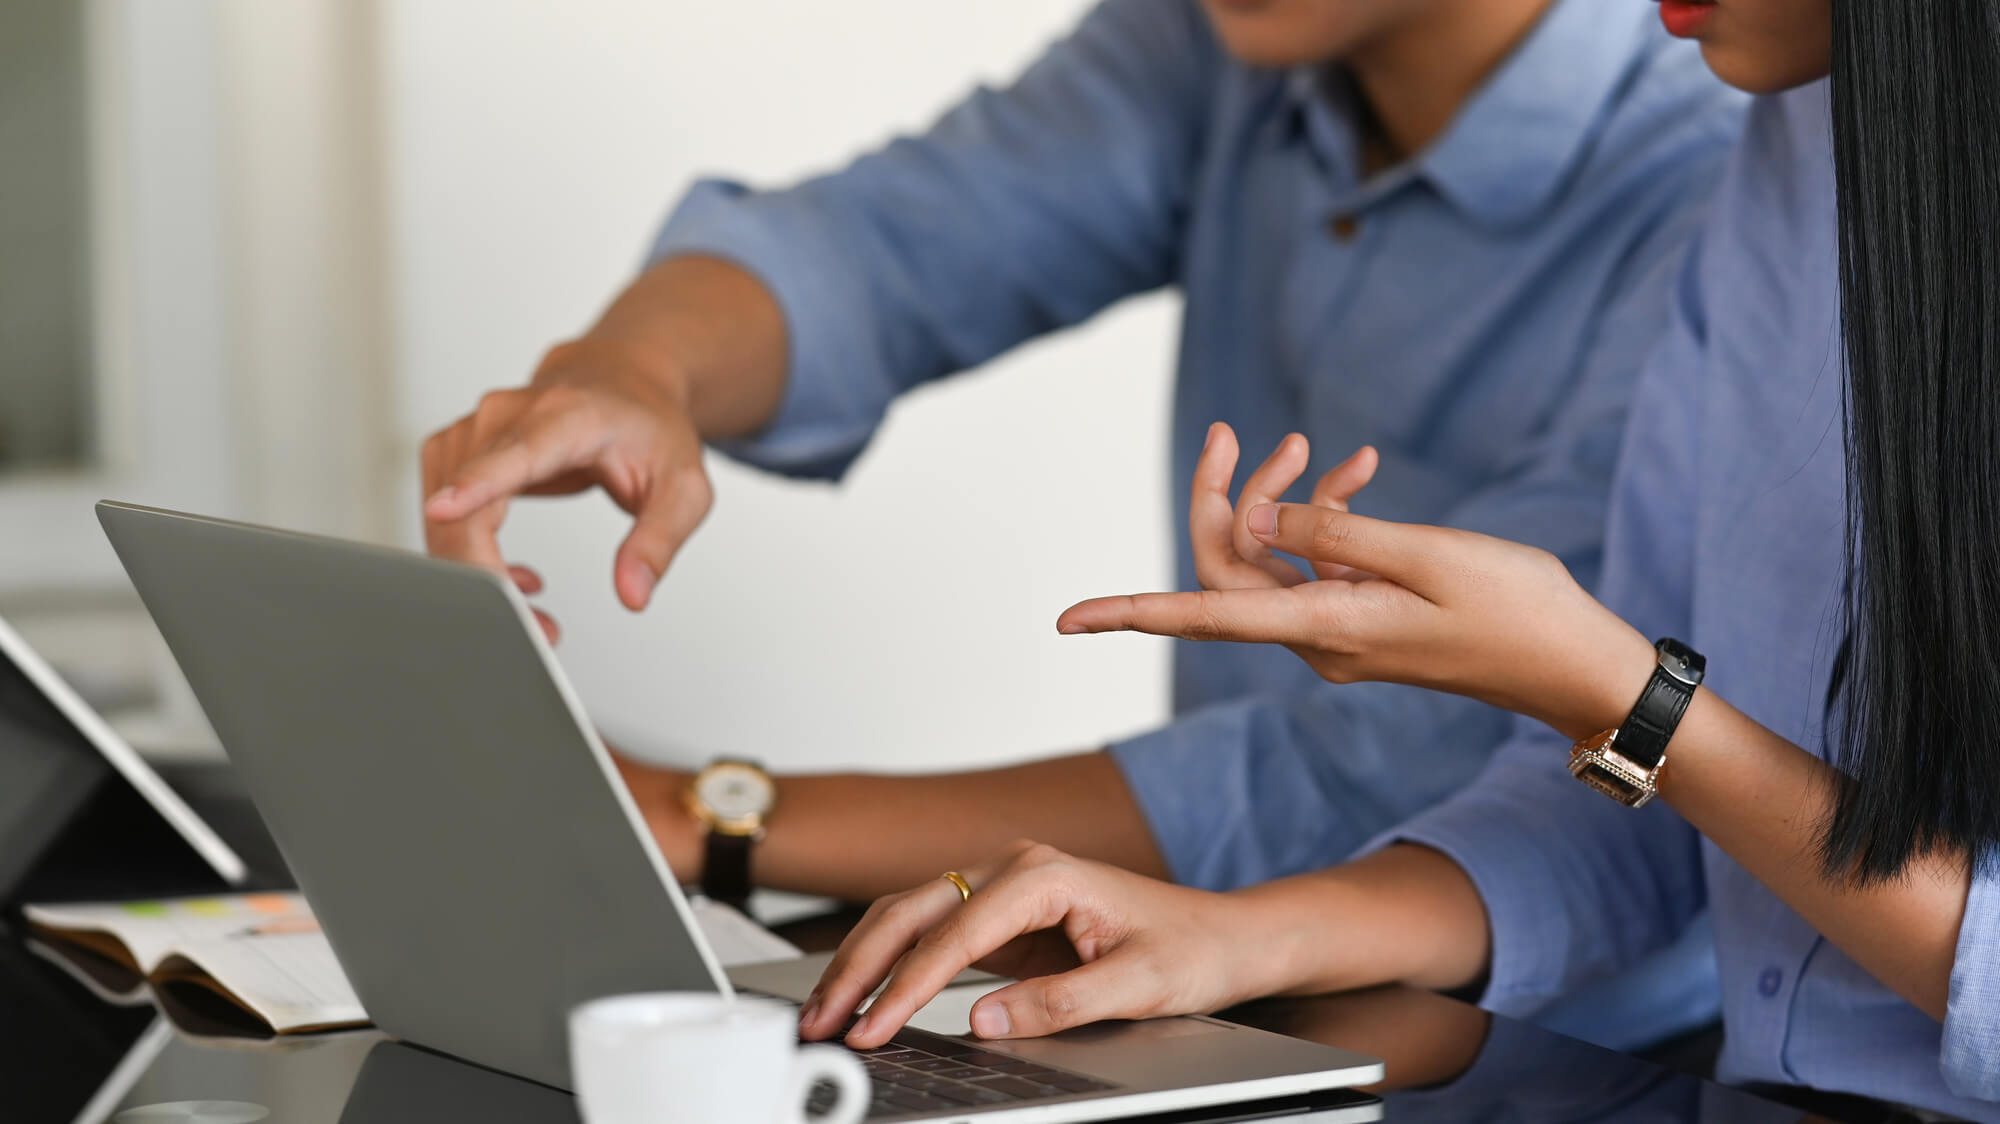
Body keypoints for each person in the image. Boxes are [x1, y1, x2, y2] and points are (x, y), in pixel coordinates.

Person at [421, 0, 1741, 1045]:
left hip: (1572, 1052)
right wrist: (635, 372)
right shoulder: (1231, 38)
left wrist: (716, 817)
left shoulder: (1725, 158)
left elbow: (1428, 754)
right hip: (1202, 987)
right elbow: (884, 248)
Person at [805, 0, 2000, 1115]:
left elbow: (1657, 744)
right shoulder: (1783, 149)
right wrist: (1233, 934)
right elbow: (1636, 815)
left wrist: (1614, 690)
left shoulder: (1686, 147)